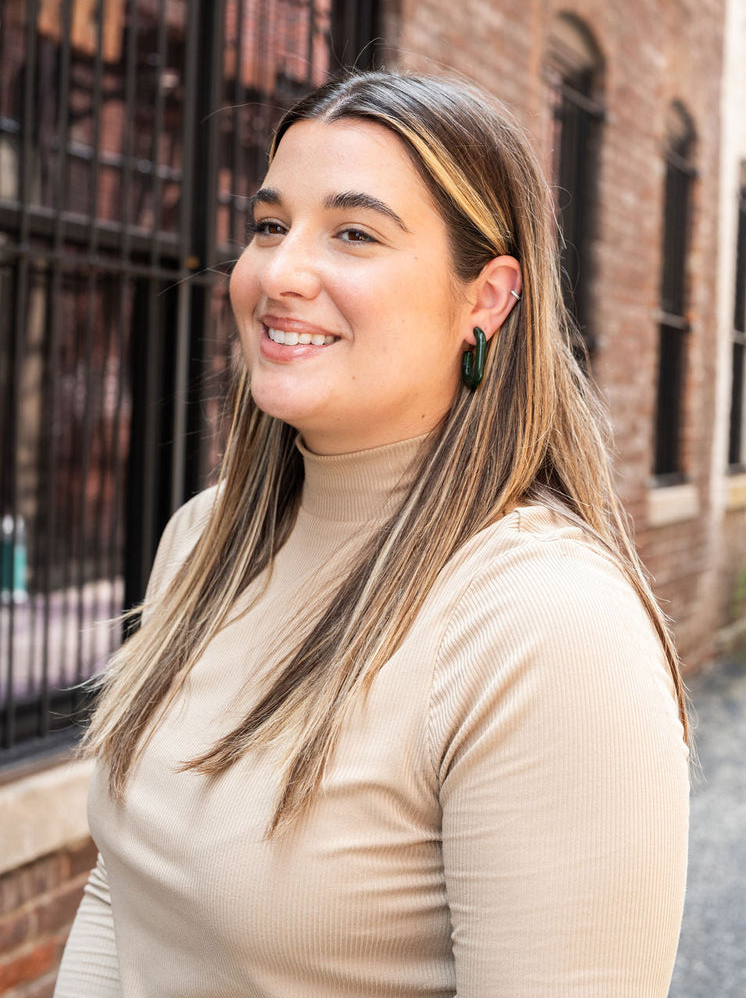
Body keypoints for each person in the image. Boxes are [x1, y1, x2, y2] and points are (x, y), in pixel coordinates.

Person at [55, 71, 690, 998]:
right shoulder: (202, 541)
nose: (279, 273)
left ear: (487, 298)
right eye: (270, 224)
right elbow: (122, 895)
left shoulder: (546, 625)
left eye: (354, 233)